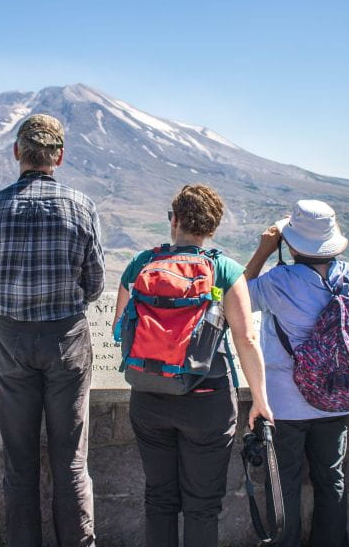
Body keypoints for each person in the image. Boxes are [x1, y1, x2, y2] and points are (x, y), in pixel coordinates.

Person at [0, 113, 105, 547]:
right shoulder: (81, 206)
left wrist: (7, 318)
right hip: (66, 341)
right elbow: (95, 283)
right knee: (70, 462)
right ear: (58, 156)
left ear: (16, 153)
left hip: (11, 341)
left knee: (20, 461)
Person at [112, 184, 273, 547]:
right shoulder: (224, 269)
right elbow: (245, 339)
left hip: (149, 395)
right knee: (202, 506)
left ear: (176, 221)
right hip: (207, 400)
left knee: (159, 499)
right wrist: (260, 401)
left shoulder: (141, 263)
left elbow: (120, 327)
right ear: (211, 227)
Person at [244, 200, 349, 547]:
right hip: (335, 399)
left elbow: (234, 299)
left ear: (291, 244)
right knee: (331, 479)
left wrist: (263, 251)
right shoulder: (347, 275)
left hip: (285, 403)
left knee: (285, 482)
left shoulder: (278, 281)